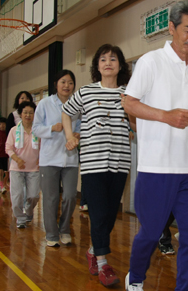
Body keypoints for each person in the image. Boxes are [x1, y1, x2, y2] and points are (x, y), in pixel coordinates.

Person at [123, 0, 188, 291]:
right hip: (156, 167)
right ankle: (135, 278)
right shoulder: (151, 62)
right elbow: (129, 103)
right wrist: (165, 116)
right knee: (150, 234)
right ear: (172, 28)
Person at [63, 44, 135, 287]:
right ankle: (103, 264)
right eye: (102, 59)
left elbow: (135, 126)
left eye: (113, 59)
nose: (107, 62)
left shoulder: (128, 93)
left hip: (120, 161)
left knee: (110, 213)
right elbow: (66, 112)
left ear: (120, 65)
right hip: (93, 162)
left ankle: (94, 249)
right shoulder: (86, 92)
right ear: (96, 66)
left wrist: (132, 121)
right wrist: (69, 137)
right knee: (97, 211)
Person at [32, 70, 81, 246]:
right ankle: (51, 234)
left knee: (69, 196)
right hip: (49, 159)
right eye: (63, 82)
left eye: (70, 82)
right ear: (56, 84)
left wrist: (78, 133)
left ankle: (64, 228)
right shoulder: (45, 104)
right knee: (51, 198)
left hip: (70, 159)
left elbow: (82, 125)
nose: (67, 86)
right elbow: (35, 129)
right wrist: (51, 128)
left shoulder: (77, 105)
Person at [6, 101, 40, 229]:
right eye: (25, 112)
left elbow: (44, 147)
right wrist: (17, 159)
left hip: (34, 169)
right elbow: (8, 148)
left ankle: (29, 212)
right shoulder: (14, 131)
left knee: (34, 196)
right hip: (16, 168)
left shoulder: (38, 131)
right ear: (20, 114)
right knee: (17, 195)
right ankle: (20, 218)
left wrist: (41, 159)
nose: (28, 115)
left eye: (31, 113)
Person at [0, 117, 9, 193]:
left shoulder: (7, 133)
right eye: (0, 124)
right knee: (0, 172)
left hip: (6, 155)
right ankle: (2, 186)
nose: (2, 125)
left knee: (5, 172)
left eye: (3, 123)